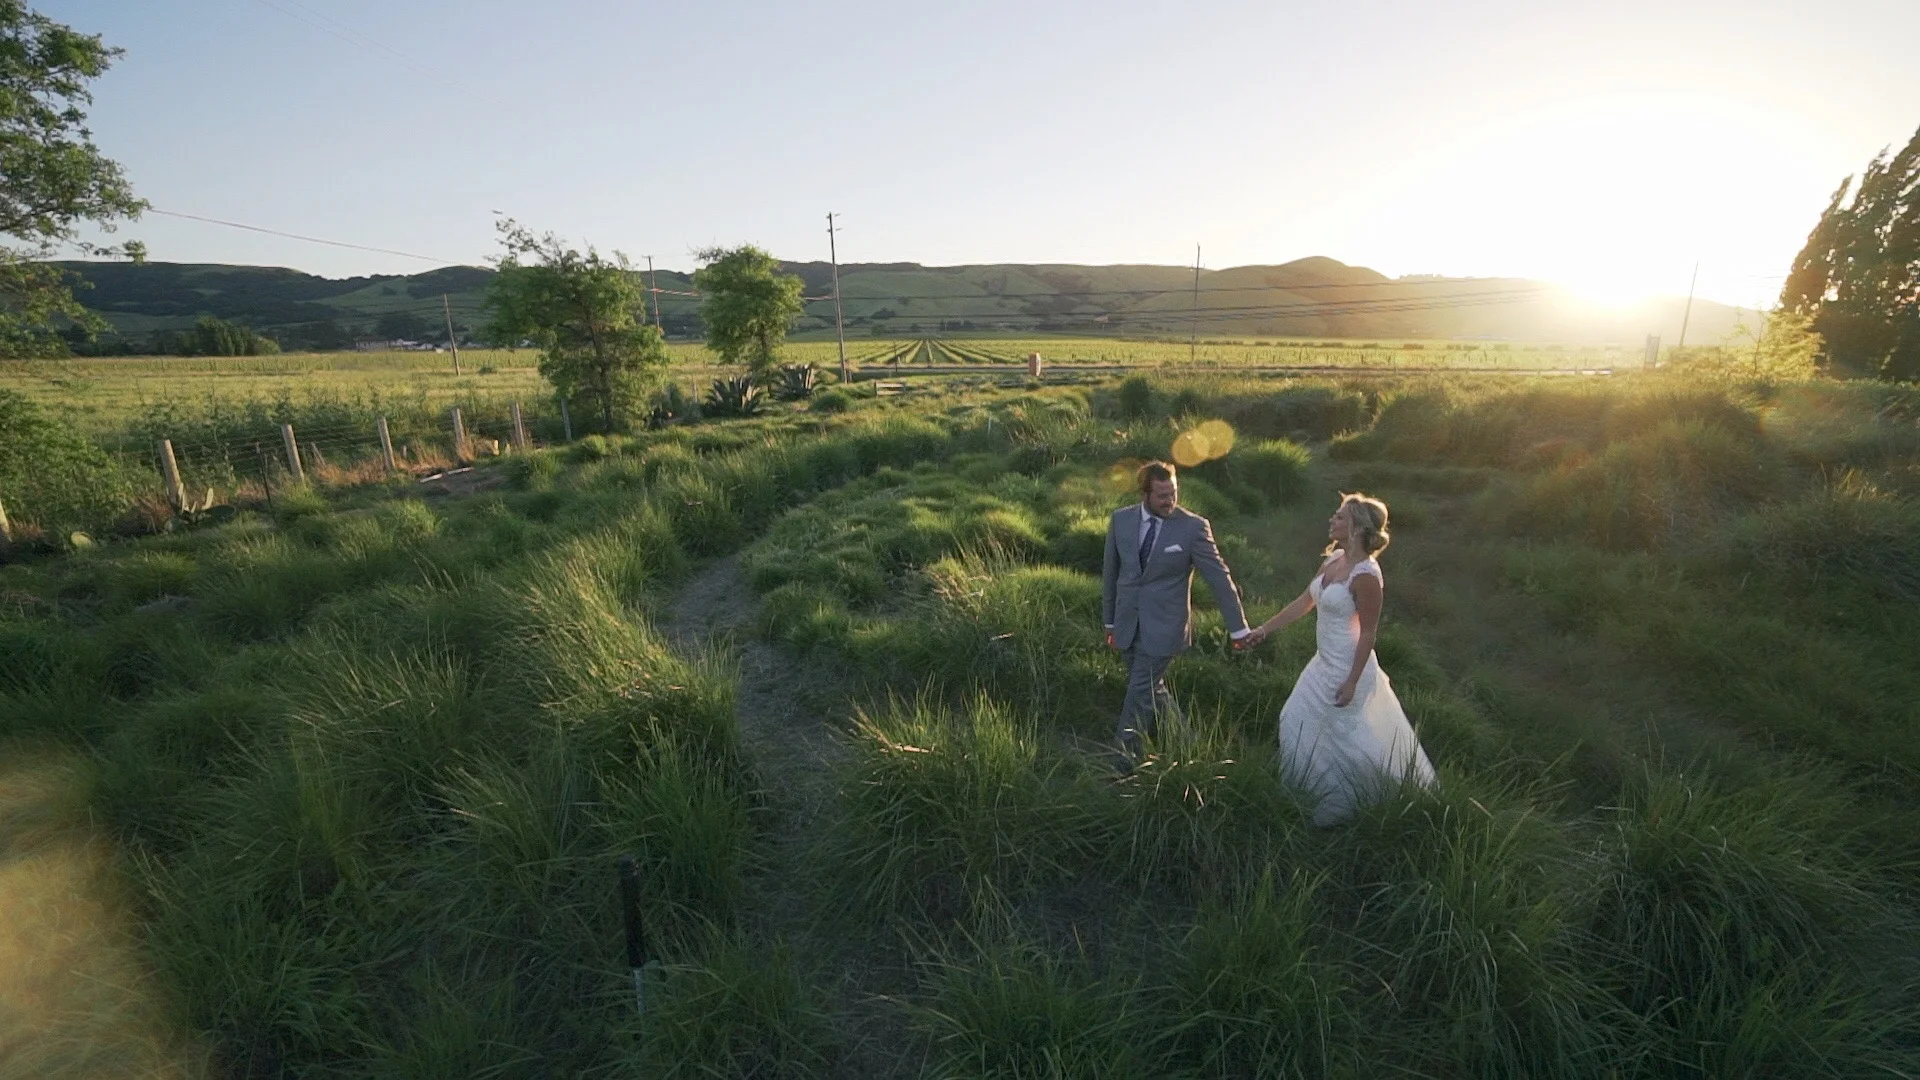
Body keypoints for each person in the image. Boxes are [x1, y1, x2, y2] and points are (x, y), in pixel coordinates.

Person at [1242, 493, 1436, 825]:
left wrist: (1352, 681)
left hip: (1349, 669)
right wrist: (1264, 629)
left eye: (1340, 517)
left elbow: (1369, 633)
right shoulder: (1332, 561)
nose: (1332, 520)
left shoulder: (1366, 575)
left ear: (1358, 527)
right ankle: (1309, 797)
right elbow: (1305, 601)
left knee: (1347, 739)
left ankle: (1367, 803)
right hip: (1322, 664)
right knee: (1294, 719)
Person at [1102, 460, 1252, 764]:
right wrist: (1110, 622)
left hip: (1166, 628)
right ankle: (1188, 742)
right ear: (1145, 494)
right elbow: (1111, 574)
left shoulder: (1194, 527)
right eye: (1162, 496)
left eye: (1173, 493)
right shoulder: (1120, 520)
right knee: (1150, 689)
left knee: (1138, 693)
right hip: (1128, 624)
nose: (1170, 501)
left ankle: (1121, 762)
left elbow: (1219, 579)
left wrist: (1239, 629)